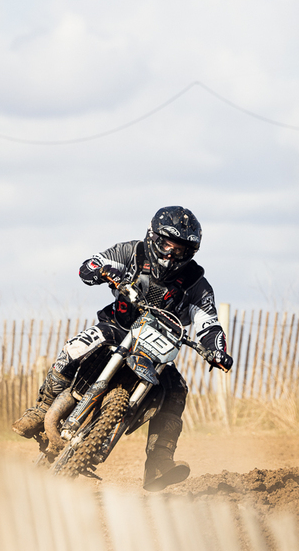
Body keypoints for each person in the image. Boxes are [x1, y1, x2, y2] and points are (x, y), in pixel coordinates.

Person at [12, 206, 233, 490]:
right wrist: (101, 271)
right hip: (116, 329)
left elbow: (209, 323)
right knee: (76, 346)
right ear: (153, 237)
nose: (170, 254)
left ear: (190, 253)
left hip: (157, 347)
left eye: (180, 250)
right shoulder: (131, 252)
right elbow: (93, 263)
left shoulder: (196, 284)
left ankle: (159, 462)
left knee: (177, 390)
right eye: (166, 244)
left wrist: (216, 349)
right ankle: (42, 409)